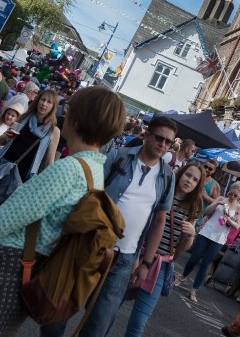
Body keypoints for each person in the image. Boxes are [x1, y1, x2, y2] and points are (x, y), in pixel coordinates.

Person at [0, 86, 125, 337]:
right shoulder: (93, 173)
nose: (64, 114)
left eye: (67, 109)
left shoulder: (69, 169)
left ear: (77, 118)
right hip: (26, 270)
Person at [73, 116, 178, 337]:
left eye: (169, 142)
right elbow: (92, 194)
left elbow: (159, 221)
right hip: (91, 244)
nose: (163, 145)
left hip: (124, 259)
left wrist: (146, 264)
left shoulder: (167, 176)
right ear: (147, 136)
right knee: (62, 306)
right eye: (159, 138)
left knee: (99, 324)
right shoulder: (119, 157)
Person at [124, 161, 204, 337]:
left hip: (160, 265)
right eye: (188, 175)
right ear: (181, 173)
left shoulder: (194, 206)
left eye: (195, 180)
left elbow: (180, 250)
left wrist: (191, 235)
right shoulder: (161, 190)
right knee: (109, 305)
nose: (189, 181)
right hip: (135, 254)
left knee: (138, 322)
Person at [179, 180, 240, 303]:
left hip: (219, 238)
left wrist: (229, 220)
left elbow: (237, 226)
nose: (232, 197)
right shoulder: (221, 199)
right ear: (228, 192)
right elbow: (207, 211)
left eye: (235, 195)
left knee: (205, 264)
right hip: (207, 231)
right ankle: (183, 276)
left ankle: (194, 290)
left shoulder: (239, 208)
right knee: (194, 258)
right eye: (231, 194)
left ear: (239, 196)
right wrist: (218, 202)